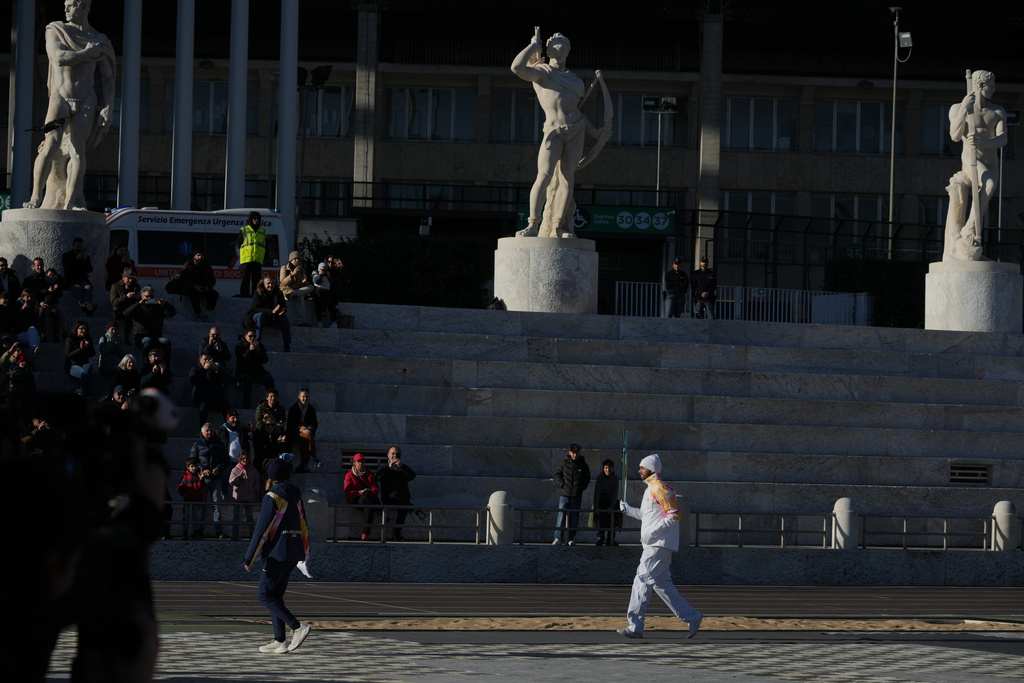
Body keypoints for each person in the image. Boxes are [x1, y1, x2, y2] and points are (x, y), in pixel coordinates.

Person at [511, 28, 608, 238]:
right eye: (556, 46)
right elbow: (517, 67)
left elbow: (576, 113)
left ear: (568, 51)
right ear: (548, 49)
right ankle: (532, 225)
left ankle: (558, 226)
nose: (560, 49)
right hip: (553, 131)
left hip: (576, 131)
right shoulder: (541, 72)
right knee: (544, 176)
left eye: (564, 46)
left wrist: (595, 132)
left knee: (567, 177)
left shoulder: (576, 80)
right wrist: (533, 47)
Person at [23, 0, 116, 211]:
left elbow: (107, 78)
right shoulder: (56, 30)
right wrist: (86, 54)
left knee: (77, 151)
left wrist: (108, 105)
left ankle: (70, 201)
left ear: (85, 7)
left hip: (86, 100)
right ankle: (36, 197)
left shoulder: (99, 41)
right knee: (50, 146)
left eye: (71, 5)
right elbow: (58, 57)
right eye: (65, 5)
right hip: (61, 97)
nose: (65, 9)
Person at [616, 454, 702, 640]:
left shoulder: (661, 489)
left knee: (642, 579)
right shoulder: (650, 490)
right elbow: (647, 516)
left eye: (642, 467)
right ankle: (692, 616)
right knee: (662, 585)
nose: (639, 470)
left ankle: (635, 625)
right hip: (653, 544)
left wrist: (653, 533)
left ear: (651, 469)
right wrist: (629, 510)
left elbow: (675, 515)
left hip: (658, 545)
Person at [243, 457, 311, 654]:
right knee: (275, 596)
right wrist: (304, 553)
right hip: (293, 552)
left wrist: (249, 557)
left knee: (264, 594)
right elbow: (304, 525)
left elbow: (261, 528)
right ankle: (279, 640)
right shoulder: (296, 496)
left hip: (277, 553)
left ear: (270, 477)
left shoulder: (272, 497)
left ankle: (297, 627)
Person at [944, 69, 1009, 261]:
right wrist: (964, 108)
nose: (994, 90)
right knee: (988, 184)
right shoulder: (957, 108)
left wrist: (983, 142)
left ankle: (970, 228)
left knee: (989, 190)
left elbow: (1003, 139)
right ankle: (969, 229)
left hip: (991, 160)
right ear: (980, 86)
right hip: (971, 160)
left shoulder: (997, 111)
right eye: (991, 85)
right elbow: (955, 136)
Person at [191, 422, 230, 539]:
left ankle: (219, 531)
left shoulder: (220, 444)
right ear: (202, 432)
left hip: (216, 478)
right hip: (202, 479)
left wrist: (219, 468)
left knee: (216, 505)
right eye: (207, 431)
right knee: (202, 504)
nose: (209, 433)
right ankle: (199, 530)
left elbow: (226, 460)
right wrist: (203, 469)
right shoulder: (197, 444)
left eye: (211, 431)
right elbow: (192, 460)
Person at [552, 443, 590, 545]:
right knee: (561, 515)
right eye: (573, 453)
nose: (575, 455)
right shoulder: (564, 463)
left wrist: (581, 488)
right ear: (569, 453)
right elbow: (557, 475)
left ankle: (571, 538)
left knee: (574, 516)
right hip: (564, 494)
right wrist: (562, 484)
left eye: (576, 453)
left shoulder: (583, 465)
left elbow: (587, 478)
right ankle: (558, 537)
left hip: (576, 495)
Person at [376, 446, 417, 541]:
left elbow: (412, 476)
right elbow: (378, 477)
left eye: (397, 454)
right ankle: (410, 506)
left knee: (405, 507)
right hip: (389, 498)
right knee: (403, 501)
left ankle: (397, 533)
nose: (395, 456)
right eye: (393, 454)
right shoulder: (384, 467)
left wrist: (401, 467)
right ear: (388, 455)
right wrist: (389, 469)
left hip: (402, 500)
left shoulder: (403, 467)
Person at [124, 285, 176, 358]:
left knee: (166, 342)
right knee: (147, 341)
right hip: (141, 337)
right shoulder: (137, 308)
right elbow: (125, 313)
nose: (149, 298)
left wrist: (165, 304)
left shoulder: (157, 308)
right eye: (147, 296)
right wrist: (138, 304)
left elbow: (172, 313)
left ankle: (165, 366)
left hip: (156, 338)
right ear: (142, 296)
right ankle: (146, 365)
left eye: (151, 297)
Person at [245, 277, 291, 353]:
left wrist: (281, 311)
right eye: (268, 283)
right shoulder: (258, 292)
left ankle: (287, 344)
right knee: (260, 315)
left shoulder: (278, 293)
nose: (270, 285)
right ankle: (258, 341)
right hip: (258, 316)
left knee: (285, 318)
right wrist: (271, 311)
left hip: (273, 317)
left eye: (272, 283)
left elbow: (283, 306)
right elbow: (256, 308)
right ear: (263, 284)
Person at [188, 351, 234, 425]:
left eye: (208, 359)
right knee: (204, 406)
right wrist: (204, 370)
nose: (207, 361)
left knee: (226, 405)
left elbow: (227, 381)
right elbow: (193, 380)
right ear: (200, 360)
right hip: (201, 399)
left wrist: (217, 371)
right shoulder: (196, 369)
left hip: (214, 398)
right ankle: (202, 429)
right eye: (205, 359)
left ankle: (227, 426)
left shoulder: (214, 370)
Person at [344, 453, 380, 540]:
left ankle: (365, 534)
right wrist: (359, 493)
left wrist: (369, 492)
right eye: (359, 461)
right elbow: (347, 492)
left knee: (369, 507)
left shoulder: (369, 474)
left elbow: (375, 489)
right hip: (355, 499)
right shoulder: (349, 475)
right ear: (354, 463)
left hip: (368, 498)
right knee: (368, 500)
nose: (361, 463)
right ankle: (382, 512)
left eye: (363, 461)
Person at [235, 330, 274, 410]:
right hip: (245, 371)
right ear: (245, 336)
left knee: (269, 380)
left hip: (257, 371)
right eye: (250, 336)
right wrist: (249, 350)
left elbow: (265, 360)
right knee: (247, 379)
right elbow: (241, 360)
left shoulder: (260, 345)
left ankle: (270, 403)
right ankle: (246, 404)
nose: (252, 338)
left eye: (254, 336)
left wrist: (258, 351)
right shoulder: (240, 346)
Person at [228, 450, 261, 540]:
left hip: (249, 497)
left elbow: (257, 481)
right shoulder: (235, 469)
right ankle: (235, 534)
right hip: (238, 498)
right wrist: (239, 478)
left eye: (247, 458)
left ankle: (252, 534)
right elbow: (231, 481)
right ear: (239, 459)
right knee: (236, 517)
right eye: (243, 459)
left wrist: (255, 490)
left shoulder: (253, 470)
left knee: (250, 517)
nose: (245, 460)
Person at [179, 250, 219, 320]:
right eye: (198, 255)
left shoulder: (207, 265)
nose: (200, 257)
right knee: (194, 294)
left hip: (203, 287)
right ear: (194, 256)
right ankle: (198, 314)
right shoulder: (189, 265)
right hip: (192, 288)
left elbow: (212, 279)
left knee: (214, 294)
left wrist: (207, 287)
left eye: (202, 255)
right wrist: (194, 286)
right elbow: (183, 279)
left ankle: (207, 314)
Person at [286, 388, 319, 473]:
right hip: (295, 434)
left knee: (307, 436)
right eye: (303, 397)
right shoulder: (293, 409)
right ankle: (313, 457)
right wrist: (300, 429)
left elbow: (315, 423)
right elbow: (290, 425)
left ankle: (305, 463)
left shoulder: (311, 409)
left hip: (307, 432)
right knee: (307, 437)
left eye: (307, 397)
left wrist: (308, 428)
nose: (305, 399)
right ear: (299, 397)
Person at [62, 237, 97, 315]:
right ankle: (83, 306)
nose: (79, 248)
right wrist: (77, 259)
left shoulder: (84, 256)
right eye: (77, 246)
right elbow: (68, 269)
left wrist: (85, 259)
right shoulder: (67, 256)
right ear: (73, 246)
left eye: (81, 246)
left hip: (82, 279)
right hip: (71, 280)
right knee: (78, 289)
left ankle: (88, 304)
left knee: (88, 287)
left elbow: (89, 269)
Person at [236, 211, 266, 298]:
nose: (256, 220)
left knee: (256, 281)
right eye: (254, 218)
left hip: (257, 260)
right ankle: (244, 297)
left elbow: (265, 246)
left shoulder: (263, 231)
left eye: (257, 219)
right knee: (245, 280)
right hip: (247, 260)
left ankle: (255, 297)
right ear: (250, 219)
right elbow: (239, 243)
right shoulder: (244, 230)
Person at [177, 456, 206, 540]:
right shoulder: (185, 477)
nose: (194, 468)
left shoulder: (199, 475)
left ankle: (196, 532)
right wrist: (184, 494)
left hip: (198, 500)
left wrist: (201, 480)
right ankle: (185, 532)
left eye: (195, 466)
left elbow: (202, 486)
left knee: (197, 517)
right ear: (188, 467)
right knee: (186, 516)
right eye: (192, 466)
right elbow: (180, 488)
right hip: (187, 500)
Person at [592, 458, 620, 547]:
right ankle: (600, 537)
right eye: (606, 468)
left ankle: (611, 538)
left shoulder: (615, 478)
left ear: (613, 468)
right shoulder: (600, 477)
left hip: (611, 500)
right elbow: (597, 493)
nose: (608, 470)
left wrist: (611, 507)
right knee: (602, 520)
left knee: (613, 520)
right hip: (602, 500)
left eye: (610, 468)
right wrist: (596, 507)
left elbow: (615, 493)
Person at [64, 320, 95, 397]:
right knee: (85, 375)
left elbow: (92, 354)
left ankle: (79, 390)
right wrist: (80, 349)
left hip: (84, 364)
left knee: (89, 367)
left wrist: (87, 347)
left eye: (85, 329)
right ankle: (88, 396)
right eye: (81, 328)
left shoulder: (88, 339)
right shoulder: (70, 339)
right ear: (76, 329)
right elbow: (69, 355)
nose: (83, 330)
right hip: (72, 365)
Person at [252, 411, 288, 477]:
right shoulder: (259, 435)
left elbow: (281, 450)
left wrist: (280, 443)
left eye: (272, 425)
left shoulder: (276, 435)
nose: (270, 427)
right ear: (264, 425)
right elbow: (261, 450)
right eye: (268, 425)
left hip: (273, 464)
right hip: (261, 463)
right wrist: (276, 443)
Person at [110, 268, 141, 343]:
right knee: (129, 316)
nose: (130, 280)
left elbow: (139, 298)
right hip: (119, 311)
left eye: (132, 278)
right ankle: (126, 339)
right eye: (129, 278)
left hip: (132, 310)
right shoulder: (116, 286)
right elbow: (114, 302)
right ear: (123, 277)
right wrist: (126, 296)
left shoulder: (135, 286)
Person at [311, 262, 341, 327]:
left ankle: (334, 321)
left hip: (327, 291)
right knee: (319, 303)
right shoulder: (316, 274)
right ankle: (320, 320)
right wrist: (320, 274)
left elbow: (331, 282)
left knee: (331, 302)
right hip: (319, 291)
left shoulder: (327, 275)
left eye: (325, 270)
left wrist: (328, 276)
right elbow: (316, 281)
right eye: (322, 270)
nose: (324, 271)